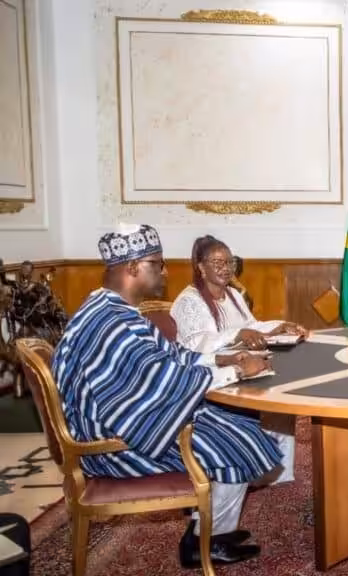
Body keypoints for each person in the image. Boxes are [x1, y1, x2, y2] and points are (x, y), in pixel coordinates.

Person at [52, 224, 280, 568]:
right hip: (112, 446)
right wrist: (236, 372)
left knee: (238, 424)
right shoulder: (113, 324)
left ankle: (207, 530)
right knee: (242, 439)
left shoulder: (109, 308)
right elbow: (164, 384)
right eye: (157, 264)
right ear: (132, 269)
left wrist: (225, 358)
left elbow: (171, 358)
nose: (164, 271)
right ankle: (205, 543)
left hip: (122, 420)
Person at [171, 235, 307, 485]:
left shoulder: (233, 294)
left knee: (282, 397)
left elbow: (251, 326)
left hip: (244, 365)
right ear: (201, 267)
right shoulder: (189, 301)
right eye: (217, 263)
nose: (225, 269)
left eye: (229, 263)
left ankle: (277, 474)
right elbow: (195, 345)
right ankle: (253, 464)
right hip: (212, 375)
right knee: (270, 396)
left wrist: (279, 326)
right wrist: (237, 334)